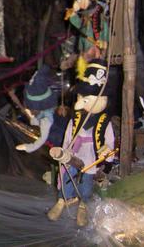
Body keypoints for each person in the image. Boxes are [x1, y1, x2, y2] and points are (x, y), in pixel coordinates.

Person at [47, 59, 115, 227]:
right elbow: (68, 137)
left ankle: (83, 205)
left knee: (86, 181)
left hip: (91, 155)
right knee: (68, 176)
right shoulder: (76, 118)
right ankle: (62, 200)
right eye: (81, 97)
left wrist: (107, 153)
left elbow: (110, 141)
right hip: (75, 153)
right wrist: (65, 152)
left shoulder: (104, 122)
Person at [14, 64, 61, 153]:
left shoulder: (46, 120)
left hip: (59, 142)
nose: (31, 110)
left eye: (31, 107)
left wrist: (27, 147)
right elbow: (36, 121)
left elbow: (42, 139)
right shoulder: (46, 113)